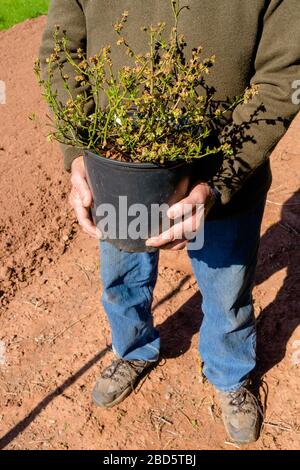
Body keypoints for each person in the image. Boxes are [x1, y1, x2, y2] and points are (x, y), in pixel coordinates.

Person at [39, 0, 300, 444]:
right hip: (118, 170)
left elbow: (283, 80)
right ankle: (133, 348)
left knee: (227, 288)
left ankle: (229, 373)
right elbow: (60, 53)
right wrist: (80, 151)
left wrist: (221, 181)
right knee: (121, 276)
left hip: (225, 179)